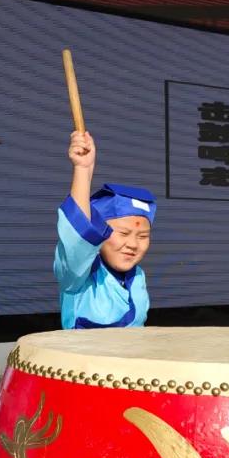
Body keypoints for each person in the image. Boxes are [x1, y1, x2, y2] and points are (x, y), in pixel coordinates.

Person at [56, 130, 155, 329]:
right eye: (123, 233)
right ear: (99, 233)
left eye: (143, 236)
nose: (133, 244)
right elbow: (78, 235)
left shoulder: (137, 276)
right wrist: (83, 169)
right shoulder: (79, 274)